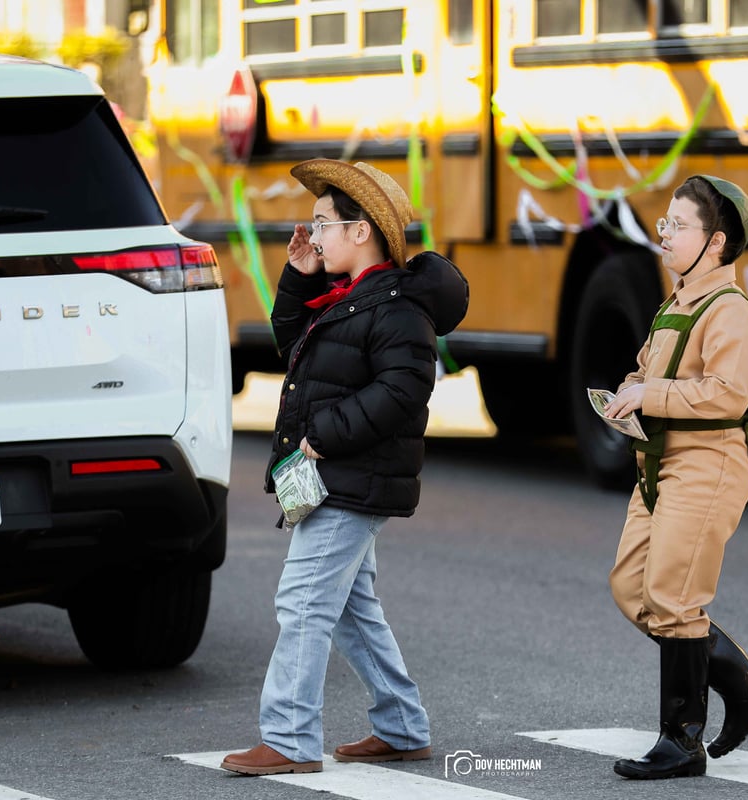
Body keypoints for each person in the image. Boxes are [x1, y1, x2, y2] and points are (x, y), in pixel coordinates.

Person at [221, 160, 469, 776]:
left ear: (362, 232)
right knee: (353, 611)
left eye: (323, 224)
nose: (314, 235)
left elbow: (405, 391)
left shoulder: (397, 309)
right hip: (340, 477)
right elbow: (291, 344)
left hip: (350, 480)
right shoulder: (349, 296)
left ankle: (289, 739)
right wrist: (298, 276)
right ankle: (403, 727)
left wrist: (322, 437)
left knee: (303, 603)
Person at [602, 175, 748, 780]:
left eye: (679, 226)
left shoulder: (732, 312)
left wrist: (652, 391)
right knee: (633, 590)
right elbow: (648, 371)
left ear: (717, 242)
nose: (665, 236)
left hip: (708, 462)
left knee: (675, 601)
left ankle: (681, 742)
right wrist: (630, 391)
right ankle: (743, 682)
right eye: (665, 224)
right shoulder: (675, 303)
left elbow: (728, 393)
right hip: (659, 463)